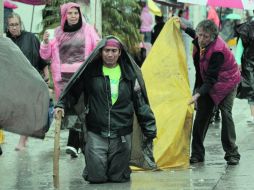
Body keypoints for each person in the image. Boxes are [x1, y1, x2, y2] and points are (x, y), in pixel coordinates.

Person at [55, 36, 157, 183]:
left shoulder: (129, 74)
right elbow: (72, 92)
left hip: (122, 134)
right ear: (100, 52)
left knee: (118, 178)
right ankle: (93, 166)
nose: (110, 54)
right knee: (96, 178)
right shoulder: (90, 72)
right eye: (107, 50)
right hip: (96, 132)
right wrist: (61, 104)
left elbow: (140, 104)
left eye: (114, 51)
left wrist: (150, 128)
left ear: (120, 52)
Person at [40, 2, 100, 158]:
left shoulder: (88, 30)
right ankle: (78, 142)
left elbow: (97, 48)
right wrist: (45, 43)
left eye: (76, 13)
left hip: (83, 77)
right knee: (71, 110)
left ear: (79, 15)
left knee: (82, 108)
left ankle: (74, 143)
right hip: (63, 80)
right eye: (70, 13)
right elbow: (45, 56)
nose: (73, 16)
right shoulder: (56, 33)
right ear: (64, 15)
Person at [179, 19, 241, 165]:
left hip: (227, 82)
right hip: (209, 82)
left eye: (205, 37)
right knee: (201, 118)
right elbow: (194, 33)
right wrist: (184, 27)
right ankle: (197, 154)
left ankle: (232, 153)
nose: (201, 39)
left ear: (213, 37)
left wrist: (197, 94)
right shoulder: (200, 39)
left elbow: (211, 80)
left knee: (226, 115)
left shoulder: (217, 51)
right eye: (200, 35)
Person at [6, 13, 49, 151]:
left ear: (21, 24)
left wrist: (47, 77)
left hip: (31, 80)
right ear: (7, 26)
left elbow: (42, 59)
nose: (14, 27)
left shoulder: (31, 38)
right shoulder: (5, 40)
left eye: (16, 24)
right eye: (11, 25)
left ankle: (22, 141)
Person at [235, 16, 254, 124]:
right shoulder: (247, 27)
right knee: (251, 89)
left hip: (248, 63)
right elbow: (240, 46)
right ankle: (253, 115)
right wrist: (238, 61)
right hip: (249, 63)